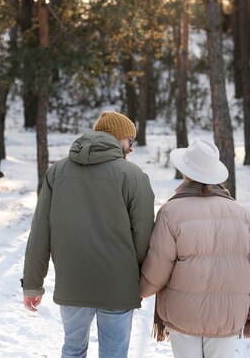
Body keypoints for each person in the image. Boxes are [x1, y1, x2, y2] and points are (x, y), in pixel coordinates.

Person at [22, 111, 155, 358]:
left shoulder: (57, 172)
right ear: (118, 139)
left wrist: (32, 284)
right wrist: (137, 278)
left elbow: (41, 231)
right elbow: (144, 235)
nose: (132, 148)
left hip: (73, 283)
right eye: (131, 141)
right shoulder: (134, 176)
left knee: (73, 349)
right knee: (114, 353)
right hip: (118, 284)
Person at [140, 138, 250, 358]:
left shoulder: (171, 212)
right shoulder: (242, 215)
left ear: (186, 173)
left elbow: (159, 265)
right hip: (227, 315)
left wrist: (140, 292)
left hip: (183, 313)